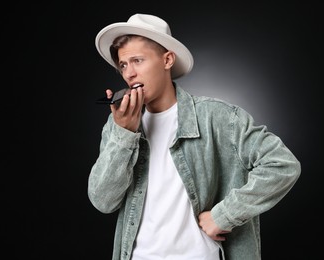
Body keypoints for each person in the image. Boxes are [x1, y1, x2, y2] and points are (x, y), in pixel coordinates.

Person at [87, 13, 301, 260]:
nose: (129, 73)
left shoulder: (218, 118)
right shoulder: (118, 126)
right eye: (123, 65)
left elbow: (283, 165)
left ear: (167, 60)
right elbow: (103, 201)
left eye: (137, 60)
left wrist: (225, 216)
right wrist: (124, 134)